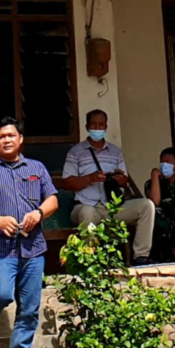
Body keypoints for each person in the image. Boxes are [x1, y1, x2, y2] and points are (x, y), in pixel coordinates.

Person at [0, 117, 58, 348]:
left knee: (28, 311)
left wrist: (38, 213)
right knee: (1, 293)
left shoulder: (37, 168)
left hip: (33, 248)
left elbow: (53, 200)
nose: (6, 140)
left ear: (21, 139)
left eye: (11, 135)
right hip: (1, 249)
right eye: (1, 137)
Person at [61, 109, 156, 266]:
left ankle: (141, 256)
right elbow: (67, 183)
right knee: (87, 212)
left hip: (112, 208)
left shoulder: (115, 152)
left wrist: (119, 179)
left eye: (101, 125)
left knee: (147, 206)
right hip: (84, 206)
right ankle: (92, 260)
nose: (97, 128)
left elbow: (124, 181)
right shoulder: (75, 152)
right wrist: (90, 178)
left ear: (105, 127)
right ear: (87, 127)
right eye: (94, 125)